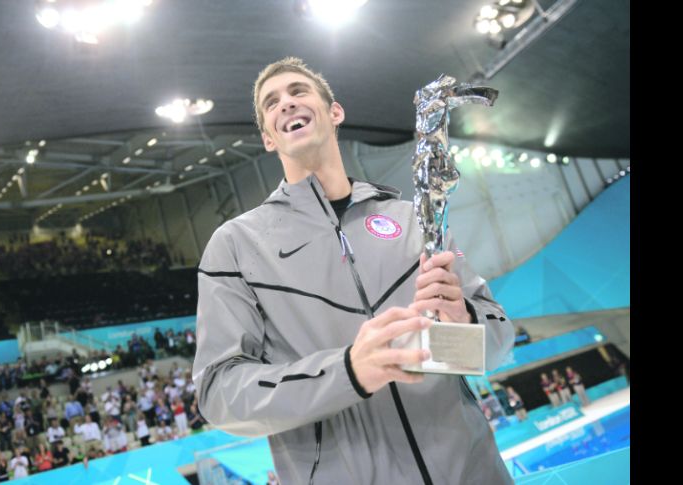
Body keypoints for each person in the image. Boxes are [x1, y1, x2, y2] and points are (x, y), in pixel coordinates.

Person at [192, 57, 515, 484]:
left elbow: (498, 345)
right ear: (268, 138)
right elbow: (219, 393)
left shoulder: (414, 220)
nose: (286, 103)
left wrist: (463, 323)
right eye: (271, 103)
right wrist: (346, 372)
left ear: (335, 112)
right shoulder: (237, 246)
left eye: (298, 91)